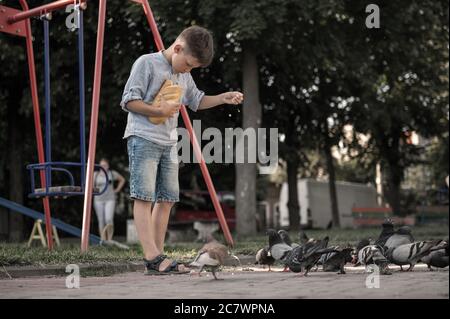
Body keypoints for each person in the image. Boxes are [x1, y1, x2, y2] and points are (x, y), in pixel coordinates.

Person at [120, 26, 243, 275]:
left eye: (193, 68)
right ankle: (152, 256)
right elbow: (128, 101)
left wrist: (222, 98)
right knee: (143, 196)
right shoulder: (147, 63)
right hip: (143, 137)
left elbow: (196, 100)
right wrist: (157, 111)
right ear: (177, 48)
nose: (188, 70)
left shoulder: (183, 74)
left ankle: (158, 256)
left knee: (166, 199)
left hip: (169, 142)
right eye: (188, 64)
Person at [93, 158, 126, 241]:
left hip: (110, 199)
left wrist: (117, 190)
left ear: (108, 166)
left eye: (104, 165)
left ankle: (109, 239)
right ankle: (103, 240)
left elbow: (122, 180)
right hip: (98, 200)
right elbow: (90, 186)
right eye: (101, 165)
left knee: (109, 219)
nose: (103, 167)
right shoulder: (95, 174)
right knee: (101, 220)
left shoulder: (112, 173)